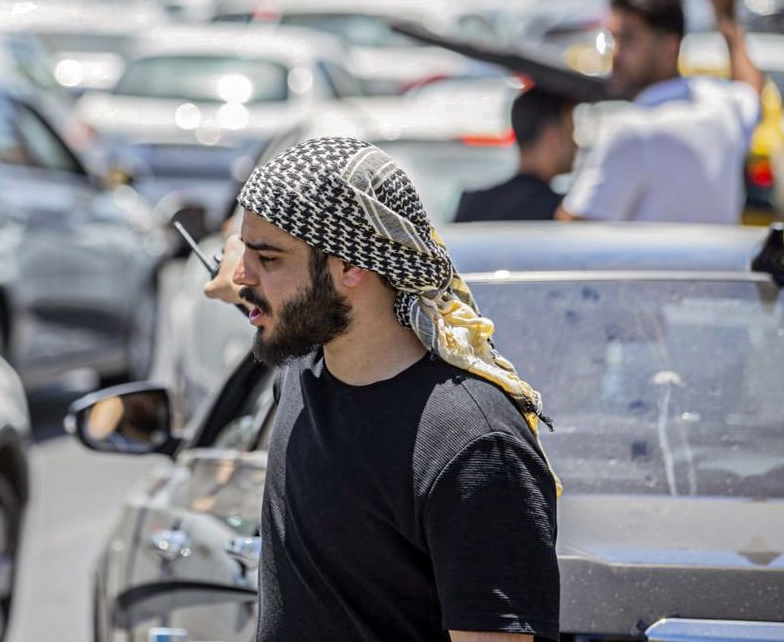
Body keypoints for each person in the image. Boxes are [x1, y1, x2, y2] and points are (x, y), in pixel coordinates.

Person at [204, 137, 560, 642]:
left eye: (267, 257)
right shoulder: (305, 366)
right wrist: (247, 276)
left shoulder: (473, 449)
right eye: (247, 253)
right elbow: (262, 288)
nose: (244, 275)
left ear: (352, 266)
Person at [557, 0, 763, 223]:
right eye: (613, 38)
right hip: (722, 267)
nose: (615, 54)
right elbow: (750, 89)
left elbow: (574, 233)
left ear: (669, 46)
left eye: (628, 39)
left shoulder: (630, 130)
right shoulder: (719, 107)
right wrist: (725, 16)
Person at [454, 86, 577, 221]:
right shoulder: (561, 213)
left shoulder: (471, 203)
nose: (576, 146)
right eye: (571, 134)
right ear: (554, 140)